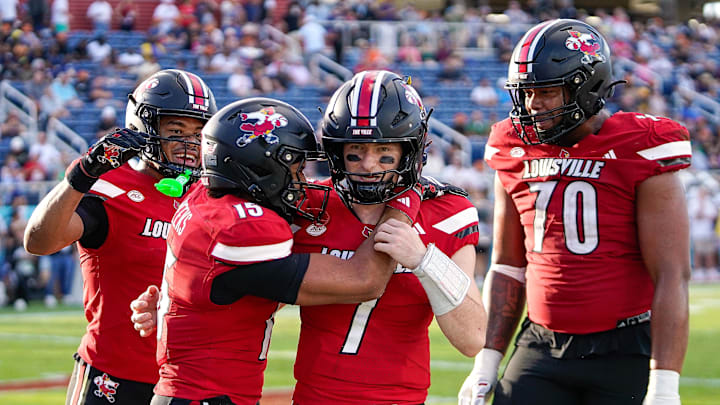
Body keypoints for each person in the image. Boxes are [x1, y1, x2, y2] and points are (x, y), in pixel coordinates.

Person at [132, 71, 487, 404]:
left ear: (408, 152)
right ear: (335, 153)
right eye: (354, 153)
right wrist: (177, 304)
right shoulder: (308, 203)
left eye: (385, 153)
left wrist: (426, 261)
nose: (368, 165)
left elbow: (472, 338)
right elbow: (246, 273)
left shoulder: (447, 210)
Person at [458, 19, 691, 405]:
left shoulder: (641, 145)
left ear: (587, 86)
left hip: (625, 348)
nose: (533, 105)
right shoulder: (512, 145)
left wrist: (665, 384)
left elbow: (670, 273)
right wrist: (486, 362)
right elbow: (507, 266)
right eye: (526, 93)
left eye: (547, 92)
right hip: (541, 343)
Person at [24, 69, 217, 405]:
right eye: (176, 130)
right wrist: (80, 176)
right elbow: (39, 242)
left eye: (199, 132)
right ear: (145, 129)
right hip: (112, 378)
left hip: (187, 381)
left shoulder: (209, 194)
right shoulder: (110, 187)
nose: (190, 143)